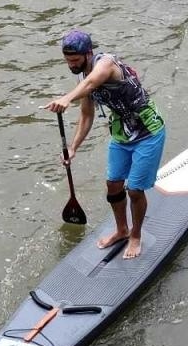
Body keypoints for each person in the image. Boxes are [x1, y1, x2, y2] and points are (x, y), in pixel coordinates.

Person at [43, 29, 167, 260]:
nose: (71, 65)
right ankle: (121, 230)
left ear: (88, 53)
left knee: (135, 189)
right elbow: (87, 115)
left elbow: (91, 84)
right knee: (113, 185)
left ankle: (136, 235)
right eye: (67, 61)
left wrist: (66, 98)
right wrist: (73, 147)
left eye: (75, 60)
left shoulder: (106, 64)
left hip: (148, 132)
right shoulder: (83, 76)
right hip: (121, 133)